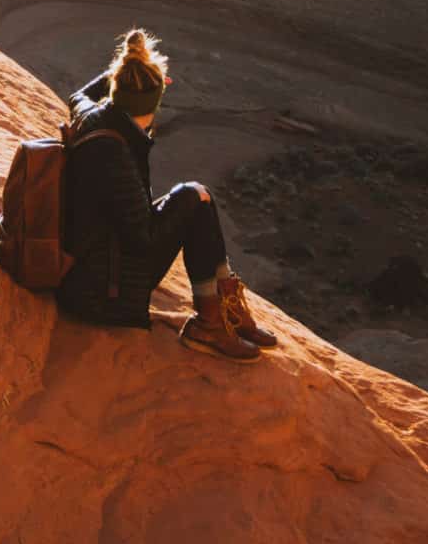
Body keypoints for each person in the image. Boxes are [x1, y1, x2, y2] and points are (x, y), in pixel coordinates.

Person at [56, 28, 276, 361]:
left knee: (197, 197)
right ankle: (210, 325)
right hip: (104, 293)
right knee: (193, 199)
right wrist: (183, 207)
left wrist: (129, 72)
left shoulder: (95, 117)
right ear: (153, 105)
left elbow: (78, 95)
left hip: (95, 268)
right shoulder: (113, 155)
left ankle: (225, 313)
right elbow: (141, 239)